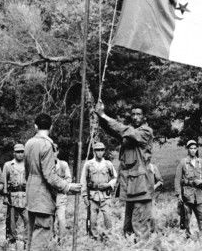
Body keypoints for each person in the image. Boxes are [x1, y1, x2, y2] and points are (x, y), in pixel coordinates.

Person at [95, 102, 154, 240]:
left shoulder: (145, 132)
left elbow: (124, 130)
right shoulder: (129, 134)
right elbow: (114, 131)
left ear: (144, 117)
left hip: (141, 188)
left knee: (139, 227)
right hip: (130, 188)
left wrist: (105, 115)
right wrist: (100, 117)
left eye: (138, 114)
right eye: (133, 114)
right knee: (127, 228)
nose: (135, 117)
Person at [24, 113, 81, 251]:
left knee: (31, 236)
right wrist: (67, 186)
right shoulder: (47, 145)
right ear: (51, 126)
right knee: (41, 237)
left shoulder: (29, 143)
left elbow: (27, 171)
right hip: (43, 198)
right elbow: (49, 175)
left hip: (31, 195)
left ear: (35, 126)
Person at [174, 140, 202, 237]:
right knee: (186, 218)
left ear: (197, 149)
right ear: (187, 149)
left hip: (199, 195)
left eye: (195, 148)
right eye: (191, 148)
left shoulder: (201, 162)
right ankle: (186, 237)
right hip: (187, 195)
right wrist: (179, 195)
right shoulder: (183, 163)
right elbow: (177, 179)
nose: (193, 150)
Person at [81, 141, 117, 240]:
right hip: (93, 195)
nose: (100, 152)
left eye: (102, 150)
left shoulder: (108, 164)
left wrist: (109, 184)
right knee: (92, 219)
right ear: (94, 151)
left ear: (104, 151)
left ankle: (108, 237)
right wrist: (84, 195)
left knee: (108, 217)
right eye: (97, 150)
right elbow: (83, 180)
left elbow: (115, 177)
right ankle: (94, 237)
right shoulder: (89, 164)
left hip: (105, 195)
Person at [2, 143, 28, 250]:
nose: (20, 154)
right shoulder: (8, 165)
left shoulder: (28, 165)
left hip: (26, 197)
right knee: (11, 222)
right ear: (14, 153)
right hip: (12, 197)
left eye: (22, 152)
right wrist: (4, 196)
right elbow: (4, 181)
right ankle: (11, 242)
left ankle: (26, 241)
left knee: (28, 220)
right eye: (18, 152)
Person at [54, 144, 72, 243]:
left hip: (60, 196)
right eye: (50, 151)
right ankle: (51, 240)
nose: (53, 153)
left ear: (57, 152)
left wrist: (60, 184)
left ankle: (61, 240)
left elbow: (68, 179)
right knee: (49, 220)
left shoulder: (63, 165)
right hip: (48, 197)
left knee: (61, 219)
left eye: (54, 151)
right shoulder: (45, 165)